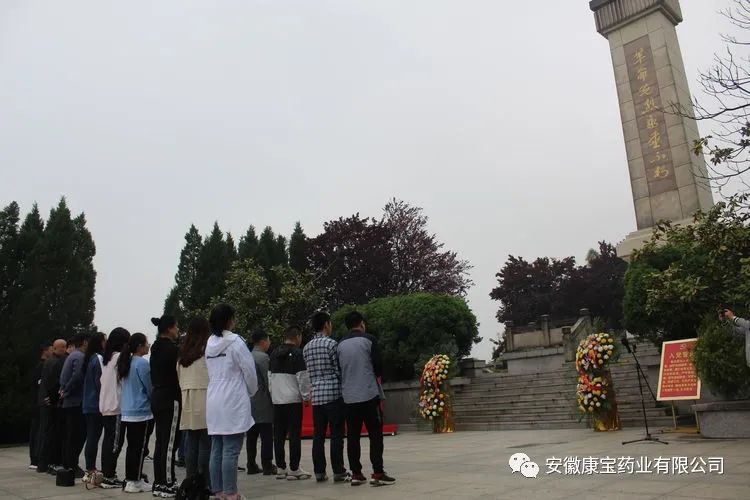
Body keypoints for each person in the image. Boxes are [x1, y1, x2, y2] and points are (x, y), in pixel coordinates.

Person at [205, 303, 257, 500]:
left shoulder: (209, 343)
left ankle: (218, 491)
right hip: (233, 398)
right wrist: (251, 391)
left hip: (214, 398)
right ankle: (231, 493)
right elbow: (249, 371)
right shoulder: (236, 342)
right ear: (229, 320)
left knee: (217, 448)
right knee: (231, 450)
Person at [337, 311, 395, 487]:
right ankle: (377, 473)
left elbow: (339, 369)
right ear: (362, 323)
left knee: (353, 436)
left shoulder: (340, 344)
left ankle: (356, 474)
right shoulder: (369, 339)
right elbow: (378, 366)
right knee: (375, 434)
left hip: (349, 397)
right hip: (369, 394)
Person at [303, 311, 350, 483]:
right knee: (336, 434)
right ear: (326, 325)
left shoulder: (306, 348)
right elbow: (338, 370)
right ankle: (338, 471)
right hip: (333, 394)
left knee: (319, 436)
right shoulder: (332, 344)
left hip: (317, 396)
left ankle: (319, 472)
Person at [269, 326, 312, 481]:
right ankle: (294, 468)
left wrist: (273, 395)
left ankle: (281, 467)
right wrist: (306, 396)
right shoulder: (298, 354)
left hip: (277, 399)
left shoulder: (273, 353)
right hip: (293, 400)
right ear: (297, 337)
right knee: (294, 434)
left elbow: (269, 377)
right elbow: (302, 376)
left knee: (278, 435)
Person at [176, 317, 211, 490]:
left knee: (191, 441)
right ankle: (204, 482)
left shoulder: (182, 356)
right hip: (205, 398)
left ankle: (191, 479)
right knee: (206, 443)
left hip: (187, 400)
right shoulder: (206, 352)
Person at [150, 315, 182, 498]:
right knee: (170, 443)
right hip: (171, 398)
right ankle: (167, 483)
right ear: (169, 328)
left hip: (157, 396)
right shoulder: (172, 350)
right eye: (176, 327)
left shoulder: (155, 347)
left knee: (161, 442)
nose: (178, 330)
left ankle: (159, 481)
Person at [118, 333, 154, 494]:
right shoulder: (142, 363)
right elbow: (149, 387)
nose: (148, 345)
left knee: (132, 447)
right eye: (146, 343)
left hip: (127, 410)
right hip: (141, 411)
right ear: (140, 346)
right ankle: (135, 481)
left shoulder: (127, 361)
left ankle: (130, 479)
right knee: (139, 449)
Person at [99, 327, 131, 489]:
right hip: (116, 406)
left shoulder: (107, 358)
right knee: (115, 443)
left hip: (105, 405)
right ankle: (109, 476)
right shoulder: (119, 357)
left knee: (108, 441)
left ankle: (108, 474)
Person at [59, 332, 90, 478]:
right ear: (85, 342)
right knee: (77, 434)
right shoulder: (80, 356)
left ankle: (69, 463)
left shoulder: (73, 355)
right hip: (75, 401)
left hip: (71, 401)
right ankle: (71, 464)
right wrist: (66, 390)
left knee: (71, 434)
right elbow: (77, 376)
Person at [245, 330, 275, 475]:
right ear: (263, 341)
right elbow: (268, 380)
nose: (269, 343)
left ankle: (251, 464)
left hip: (249, 401)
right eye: (268, 340)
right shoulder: (263, 358)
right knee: (266, 435)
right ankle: (267, 464)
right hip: (263, 400)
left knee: (251, 435)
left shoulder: (247, 356)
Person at [37, 339, 68, 475]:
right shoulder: (57, 362)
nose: (65, 350)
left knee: (45, 432)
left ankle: (42, 463)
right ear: (58, 348)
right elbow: (54, 383)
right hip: (51, 403)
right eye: (63, 347)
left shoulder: (49, 361)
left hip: (45, 401)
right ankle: (48, 463)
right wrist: (53, 398)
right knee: (51, 433)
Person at [82, 332, 106, 483]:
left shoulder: (89, 358)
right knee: (93, 437)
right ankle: (90, 469)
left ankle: (89, 468)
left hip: (88, 403)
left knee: (91, 436)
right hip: (96, 404)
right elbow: (100, 382)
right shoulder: (98, 358)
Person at [29, 341, 52, 470]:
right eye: (51, 349)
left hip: (37, 402)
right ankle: (35, 458)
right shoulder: (42, 366)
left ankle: (35, 458)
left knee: (37, 430)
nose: (52, 352)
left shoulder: (40, 365)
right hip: (39, 404)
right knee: (38, 430)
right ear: (45, 351)